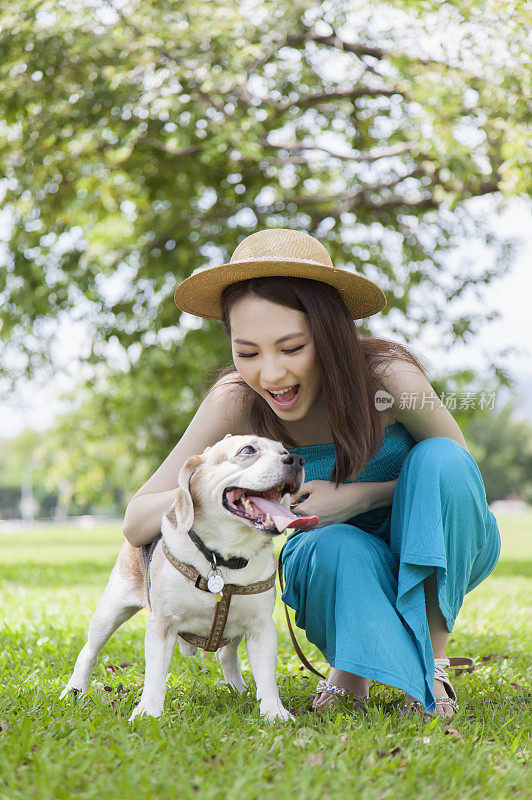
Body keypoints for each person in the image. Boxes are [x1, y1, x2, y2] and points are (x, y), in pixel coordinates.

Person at [123, 228, 501, 718]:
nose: (271, 374)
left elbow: (457, 480)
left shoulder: (390, 379)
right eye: (248, 352)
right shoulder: (236, 401)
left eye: (292, 347)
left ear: (329, 334)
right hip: (333, 560)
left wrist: (357, 497)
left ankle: (432, 662)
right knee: (330, 543)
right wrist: (211, 488)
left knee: (439, 458)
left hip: (431, 542)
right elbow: (137, 521)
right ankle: (352, 667)